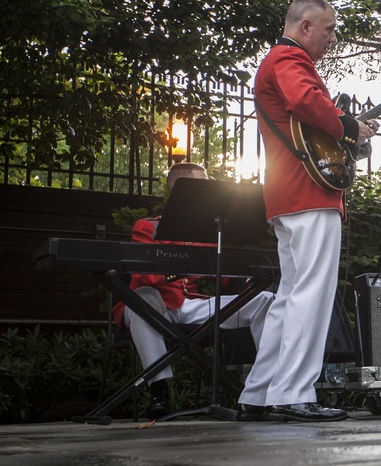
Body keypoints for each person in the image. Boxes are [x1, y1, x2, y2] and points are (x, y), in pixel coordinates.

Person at [237, 0, 377, 423]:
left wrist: (347, 133)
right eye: (329, 28)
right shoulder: (289, 59)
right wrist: (350, 126)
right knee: (311, 296)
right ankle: (294, 394)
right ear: (304, 27)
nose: (334, 37)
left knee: (290, 297)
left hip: (288, 195)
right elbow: (305, 101)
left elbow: (303, 117)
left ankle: (259, 394)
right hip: (309, 196)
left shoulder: (278, 60)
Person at [113, 162, 275, 420]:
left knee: (266, 300)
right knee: (142, 298)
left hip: (190, 307)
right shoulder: (146, 226)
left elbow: (222, 281)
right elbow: (146, 275)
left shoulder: (208, 233)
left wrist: (240, 278)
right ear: (178, 189)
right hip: (155, 307)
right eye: (202, 185)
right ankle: (159, 389)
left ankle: (264, 390)